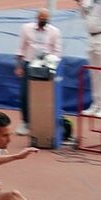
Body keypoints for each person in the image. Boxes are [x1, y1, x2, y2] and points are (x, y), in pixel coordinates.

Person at [15, 8, 63, 137]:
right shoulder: (26, 28)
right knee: (25, 94)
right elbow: (21, 48)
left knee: (44, 96)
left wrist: (50, 62)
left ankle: (43, 122)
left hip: (45, 66)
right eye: (41, 18)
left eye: (45, 19)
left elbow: (57, 51)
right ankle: (25, 122)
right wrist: (19, 66)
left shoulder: (54, 32)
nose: (43, 21)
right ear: (37, 18)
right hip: (29, 64)